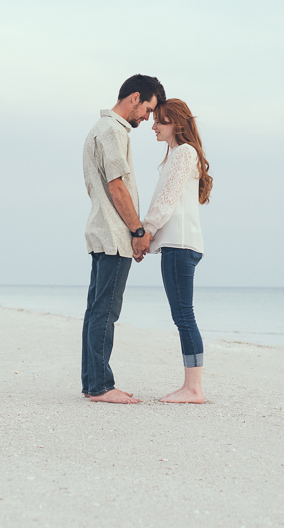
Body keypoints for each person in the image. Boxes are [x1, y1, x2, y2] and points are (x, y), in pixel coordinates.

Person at [81, 74, 166, 404]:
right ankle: (102, 386)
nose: (147, 118)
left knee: (96, 310)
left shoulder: (98, 129)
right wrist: (139, 231)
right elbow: (117, 187)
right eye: (148, 109)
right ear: (134, 98)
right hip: (115, 234)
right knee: (106, 312)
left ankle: (92, 383)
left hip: (102, 230)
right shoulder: (113, 131)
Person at [142, 99, 213, 404]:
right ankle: (190, 386)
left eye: (161, 121)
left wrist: (146, 231)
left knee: (184, 315)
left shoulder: (184, 152)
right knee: (182, 315)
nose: (154, 126)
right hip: (180, 245)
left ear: (177, 125)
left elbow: (167, 200)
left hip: (179, 245)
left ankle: (193, 388)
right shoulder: (179, 155)